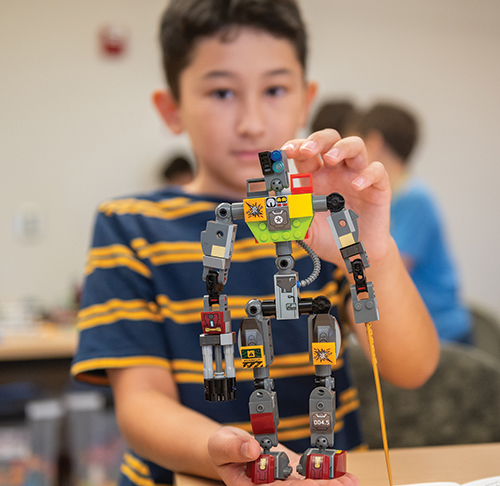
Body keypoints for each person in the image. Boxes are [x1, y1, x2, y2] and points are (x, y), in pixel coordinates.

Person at [70, 2, 439, 486]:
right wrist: (222, 454)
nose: (251, 121)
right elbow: (140, 403)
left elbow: (412, 367)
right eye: (222, 91)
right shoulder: (131, 226)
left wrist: (373, 254)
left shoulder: (324, 218)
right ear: (171, 109)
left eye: (275, 89)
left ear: (305, 100)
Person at [350, 102, 472, 344]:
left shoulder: (415, 199)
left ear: (373, 142)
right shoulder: (393, 198)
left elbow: (386, 270)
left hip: (443, 336)